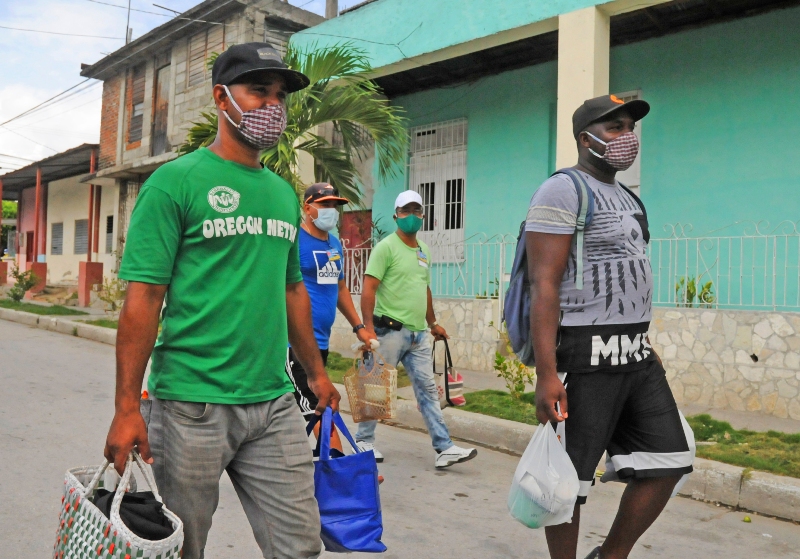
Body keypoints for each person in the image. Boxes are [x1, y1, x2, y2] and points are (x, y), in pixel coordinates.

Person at [103, 42, 339, 559]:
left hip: (272, 402)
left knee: (300, 546)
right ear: (221, 97)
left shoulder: (280, 193)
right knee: (182, 548)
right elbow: (143, 297)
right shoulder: (175, 184)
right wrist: (126, 408)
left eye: (280, 95)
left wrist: (316, 373)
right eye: (259, 91)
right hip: (192, 405)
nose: (272, 106)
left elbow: (291, 289)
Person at [526, 95, 694, 559]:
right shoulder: (563, 189)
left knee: (669, 461)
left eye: (630, 128)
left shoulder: (629, 197)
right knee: (568, 483)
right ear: (586, 139)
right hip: (585, 356)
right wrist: (545, 373)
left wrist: (644, 341)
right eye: (615, 127)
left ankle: (611, 554)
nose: (627, 137)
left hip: (635, 355)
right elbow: (544, 284)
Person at [356, 190, 477, 468]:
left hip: (418, 334)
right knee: (376, 387)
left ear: (423, 215)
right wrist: (367, 329)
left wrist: (433, 324)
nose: (412, 216)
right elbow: (369, 289)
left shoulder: (424, 250)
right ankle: (363, 442)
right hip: (388, 332)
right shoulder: (385, 248)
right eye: (406, 210)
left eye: (417, 211)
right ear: (396, 215)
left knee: (427, 391)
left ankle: (444, 448)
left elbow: (424, 289)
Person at [286, 182, 370, 431]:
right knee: (321, 410)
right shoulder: (294, 241)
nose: (331, 210)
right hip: (295, 344)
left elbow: (341, 287)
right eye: (324, 204)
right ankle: (338, 467)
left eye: (335, 205)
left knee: (303, 414)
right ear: (307, 207)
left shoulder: (334, 244)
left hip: (321, 343)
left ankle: (308, 465)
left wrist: (359, 326)